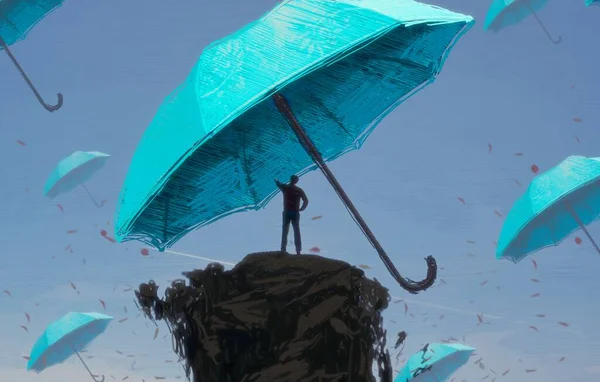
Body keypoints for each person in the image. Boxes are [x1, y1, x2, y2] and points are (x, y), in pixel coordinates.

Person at [275, 175, 308, 255]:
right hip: (291, 212)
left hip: (290, 212)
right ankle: (294, 250)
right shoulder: (296, 189)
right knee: (292, 231)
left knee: (289, 231)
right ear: (295, 180)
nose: (295, 181)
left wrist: (302, 208)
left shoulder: (286, 188)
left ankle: (289, 249)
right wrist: (302, 208)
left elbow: (306, 200)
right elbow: (306, 200)